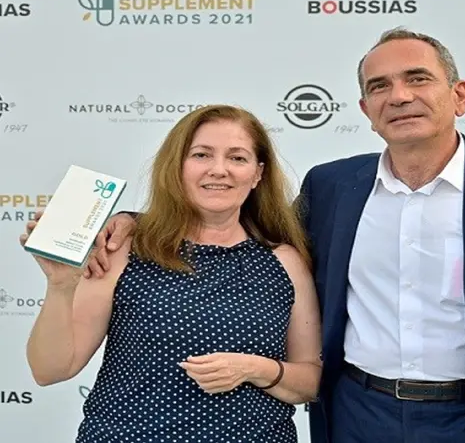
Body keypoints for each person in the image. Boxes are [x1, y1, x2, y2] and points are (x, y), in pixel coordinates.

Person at [84, 27, 465, 443]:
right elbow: (242, 228)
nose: (399, 96)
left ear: (458, 95)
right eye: (379, 86)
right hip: (355, 416)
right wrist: (134, 221)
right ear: (366, 111)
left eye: (418, 78)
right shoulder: (331, 187)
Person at [20, 104, 322, 442]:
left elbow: (310, 382)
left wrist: (255, 369)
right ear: (176, 166)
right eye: (201, 155)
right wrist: (61, 286)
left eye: (237, 158)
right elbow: (50, 370)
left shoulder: (284, 262)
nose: (219, 170)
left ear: (257, 174)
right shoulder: (124, 247)